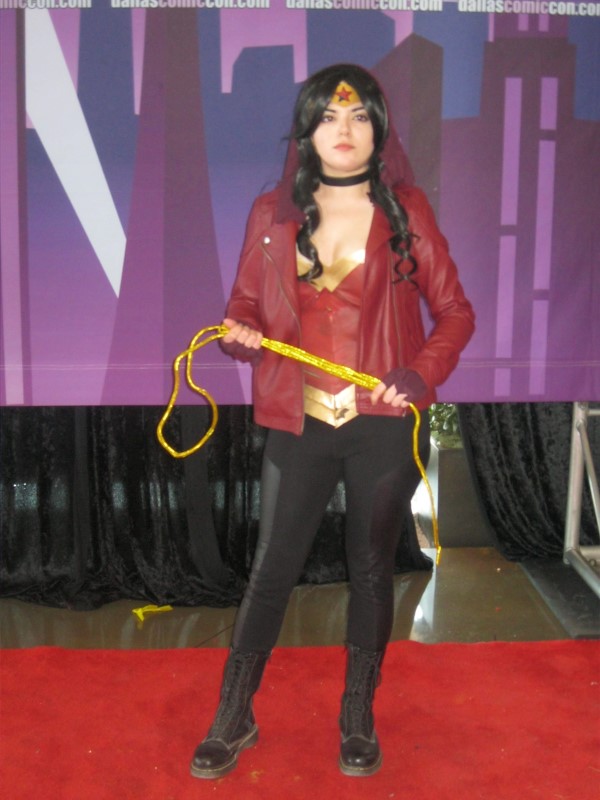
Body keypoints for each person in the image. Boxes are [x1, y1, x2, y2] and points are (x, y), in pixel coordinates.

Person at [190, 63, 475, 780]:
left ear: (378, 130)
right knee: (270, 571)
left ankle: (357, 713)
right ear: (307, 131)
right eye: (328, 117)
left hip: (382, 424)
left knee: (371, 569)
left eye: (358, 117)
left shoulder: (407, 209)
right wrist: (239, 334)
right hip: (298, 420)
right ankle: (235, 714)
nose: (343, 130)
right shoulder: (271, 213)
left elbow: (455, 312)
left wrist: (422, 372)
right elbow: (244, 307)